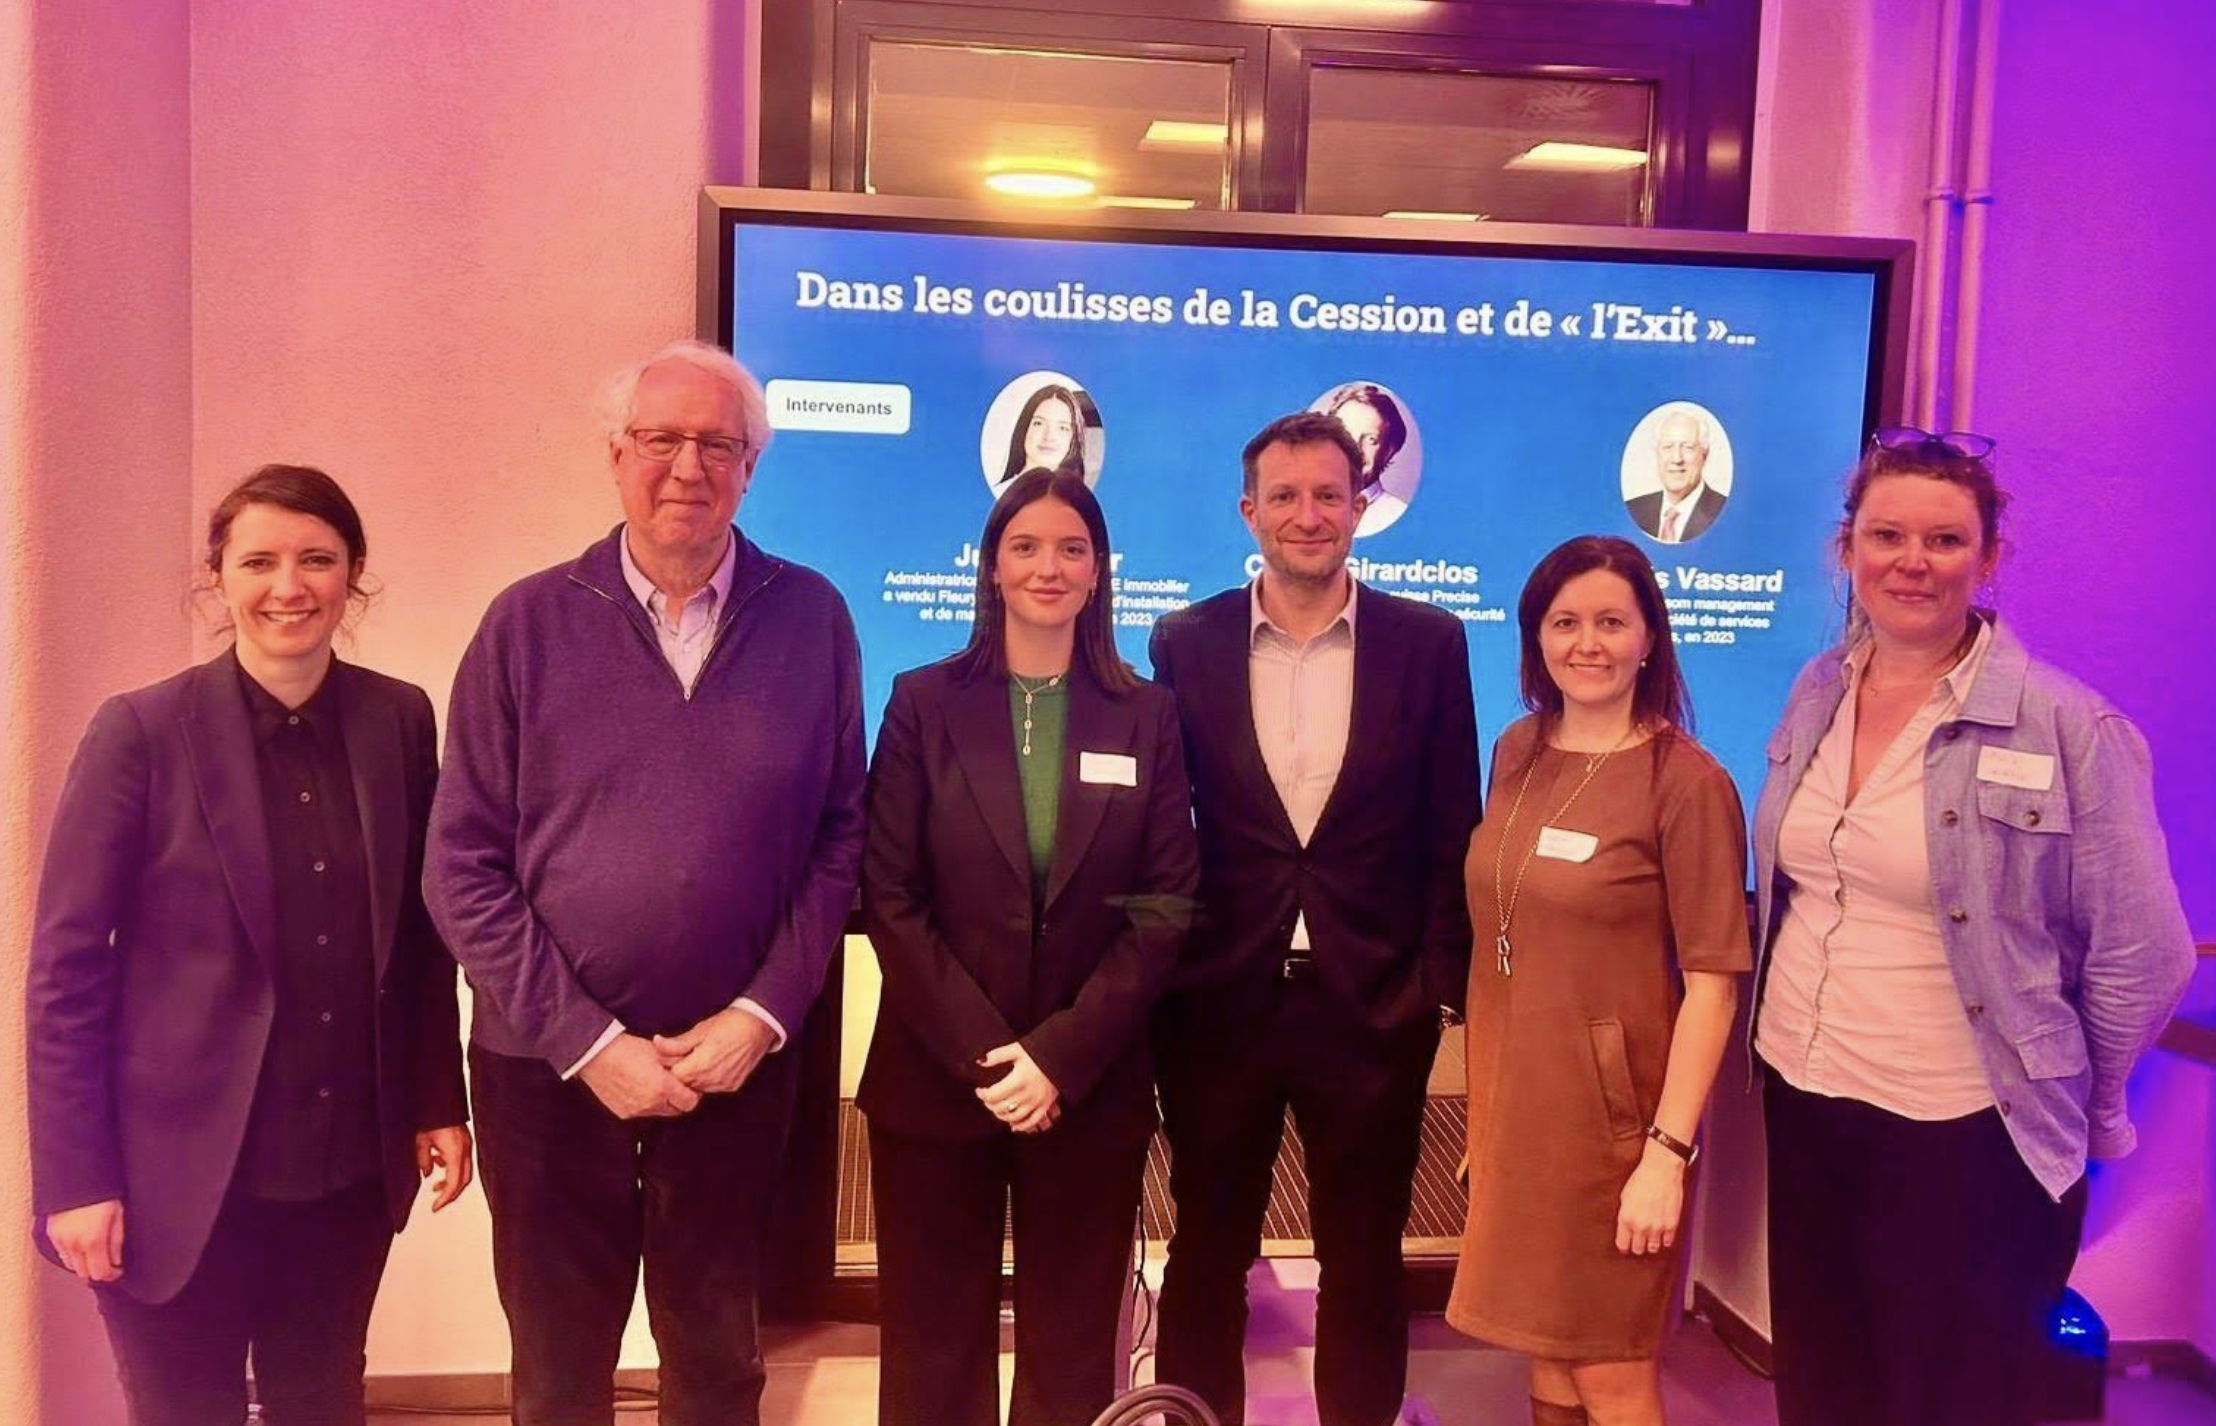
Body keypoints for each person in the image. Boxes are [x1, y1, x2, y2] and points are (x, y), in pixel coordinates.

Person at [426, 339, 866, 1426]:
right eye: (661, 439)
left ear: (751, 467)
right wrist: (589, 1043)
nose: (688, 466)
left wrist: (760, 1015)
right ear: (616, 455)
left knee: (719, 1367)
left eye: (718, 444)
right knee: (556, 1375)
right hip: (546, 1070)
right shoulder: (526, 623)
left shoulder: (811, 617)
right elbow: (461, 866)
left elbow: (838, 839)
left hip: (736, 1067)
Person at [1750, 428, 2196, 1426]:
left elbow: (2145, 952)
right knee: (1825, 1383)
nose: (1911, 561)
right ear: (1847, 549)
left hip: (1966, 1133)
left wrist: (2066, 1087)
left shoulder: (2067, 727)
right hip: (1807, 1095)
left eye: (1944, 540)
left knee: (1948, 1398)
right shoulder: (1818, 689)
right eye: (1886, 535)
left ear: (1989, 558)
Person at [27, 464, 471, 1426]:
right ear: (218, 577)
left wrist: (439, 1097)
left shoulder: (399, 718)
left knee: (322, 1404)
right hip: (170, 1174)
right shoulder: (141, 730)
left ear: (353, 575)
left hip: (344, 1171)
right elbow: (65, 970)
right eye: (260, 561)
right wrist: (76, 1179)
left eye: (317, 559)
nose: (289, 586)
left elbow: (421, 934)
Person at [1148, 412, 1481, 1426]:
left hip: (1372, 1007)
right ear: (1248, 511)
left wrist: (1436, 986)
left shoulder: (1427, 643)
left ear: (1360, 507)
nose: (1308, 515)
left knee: (1365, 1255)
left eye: (1328, 495)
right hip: (1219, 1002)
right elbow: (1162, 825)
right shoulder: (1185, 641)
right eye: (1285, 496)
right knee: (1207, 1249)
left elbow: (1450, 823)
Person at [860, 467, 1199, 1426]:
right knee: (931, 1346)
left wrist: (1056, 1057)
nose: (1048, 567)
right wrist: (990, 1055)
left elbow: (1165, 904)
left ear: (1098, 572)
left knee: (1073, 1346)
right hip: (936, 1080)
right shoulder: (923, 701)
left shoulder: (1147, 713)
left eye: (1071, 549)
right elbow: (889, 894)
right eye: (1026, 547)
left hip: (1088, 1086)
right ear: (992, 567)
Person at [1445, 536, 1748, 1426]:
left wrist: (1666, 1156)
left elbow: (1714, 988)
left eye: (1611, 622)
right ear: (1534, 636)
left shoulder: (1687, 784)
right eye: (1564, 622)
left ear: (1650, 637)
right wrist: (1488, 1119)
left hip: (1618, 1139)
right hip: (1520, 1120)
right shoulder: (1519, 750)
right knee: (1546, 1354)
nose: (1587, 643)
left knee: (1609, 1371)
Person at [1625, 409, 1726, 544]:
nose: (1677, 458)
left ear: (1704, 455)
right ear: (1657, 453)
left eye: (1688, 447)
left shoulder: (1723, 512)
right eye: (1668, 447)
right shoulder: (1635, 509)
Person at [1323, 382, 1412, 532]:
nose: (1354, 448)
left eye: (1371, 439)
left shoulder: (1395, 514)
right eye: (1344, 434)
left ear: (1389, 451)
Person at [998, 382, 1090, 487]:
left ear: (1073, 439)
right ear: (1024, 429)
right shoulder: (1001, 492)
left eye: (1062, 428)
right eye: (1039, 423)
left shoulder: (1079, 496)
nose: (1049, 436)